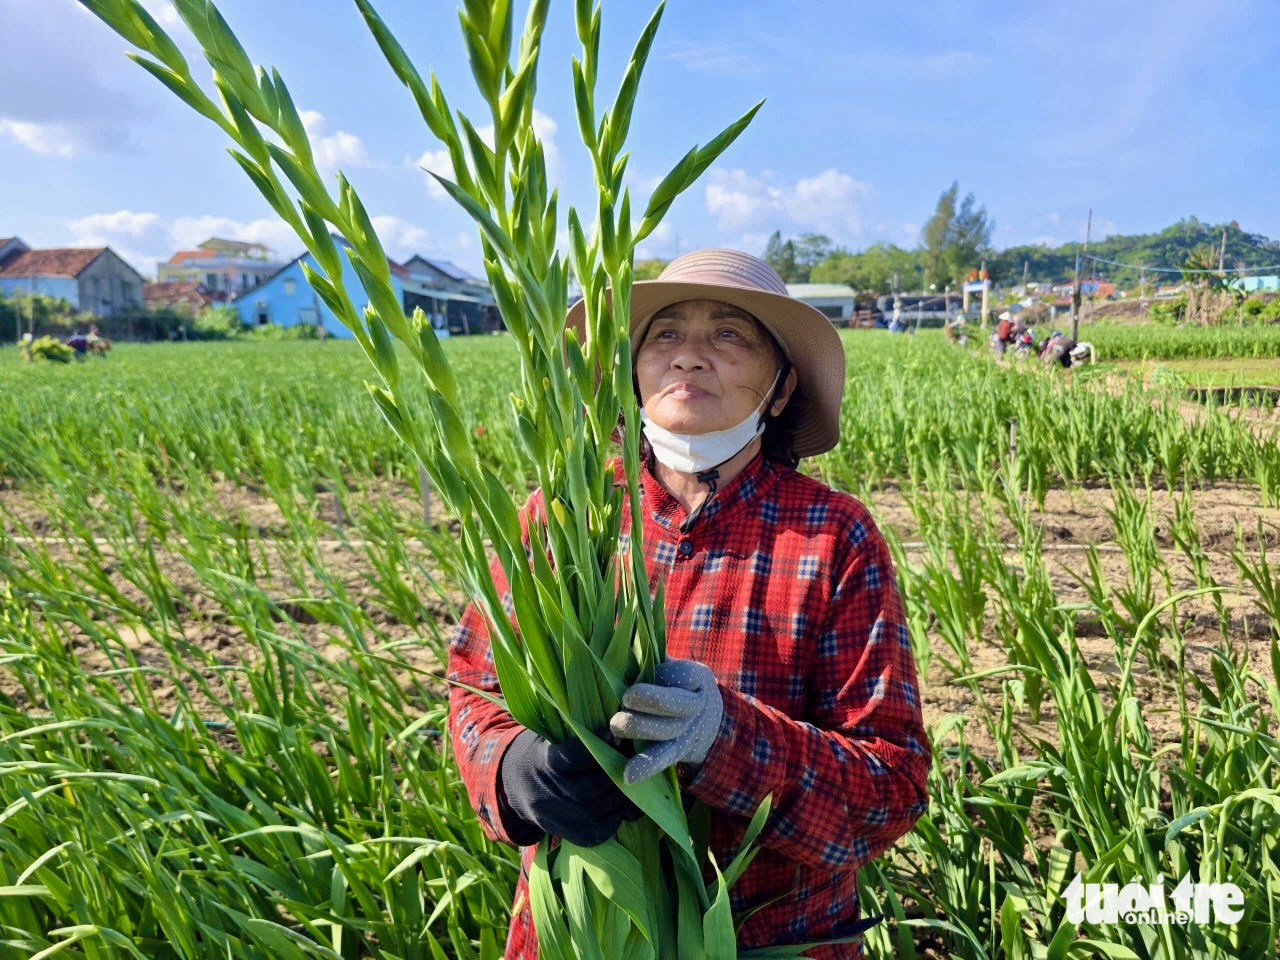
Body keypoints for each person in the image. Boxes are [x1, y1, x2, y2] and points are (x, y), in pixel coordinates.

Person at [448, 249, 931, 959]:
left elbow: (890, 787)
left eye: (730, 335)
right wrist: (514, 767)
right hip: (580, 932)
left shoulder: (834, 538)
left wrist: (726, 738)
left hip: (770, 936)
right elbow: (472, 690)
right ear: (629, 371)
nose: (691, 358)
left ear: (781, 387)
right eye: (666, 334)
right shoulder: (562, 515)